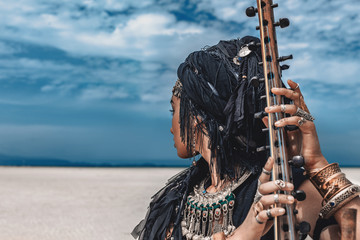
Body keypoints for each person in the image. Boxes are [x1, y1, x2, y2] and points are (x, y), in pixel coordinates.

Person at [131, 36, 360, 240]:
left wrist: (316, 163)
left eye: (174, 111)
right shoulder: (177, 196)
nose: (171, 127)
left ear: (197, 115)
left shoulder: (281, 188)